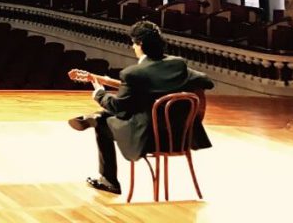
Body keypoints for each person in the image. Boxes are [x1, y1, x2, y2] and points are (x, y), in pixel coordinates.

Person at [67, 20, 214, 195]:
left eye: (133, 43)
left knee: (104, 121)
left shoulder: (134, 73)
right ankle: (95, 118)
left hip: (147, 139)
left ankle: (108, 180)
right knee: (113, 115)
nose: (133, 47)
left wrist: (99, 93)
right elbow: (206, 82)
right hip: (181, 136)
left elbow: (117, 106)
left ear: (140, 44)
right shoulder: (178, 65)